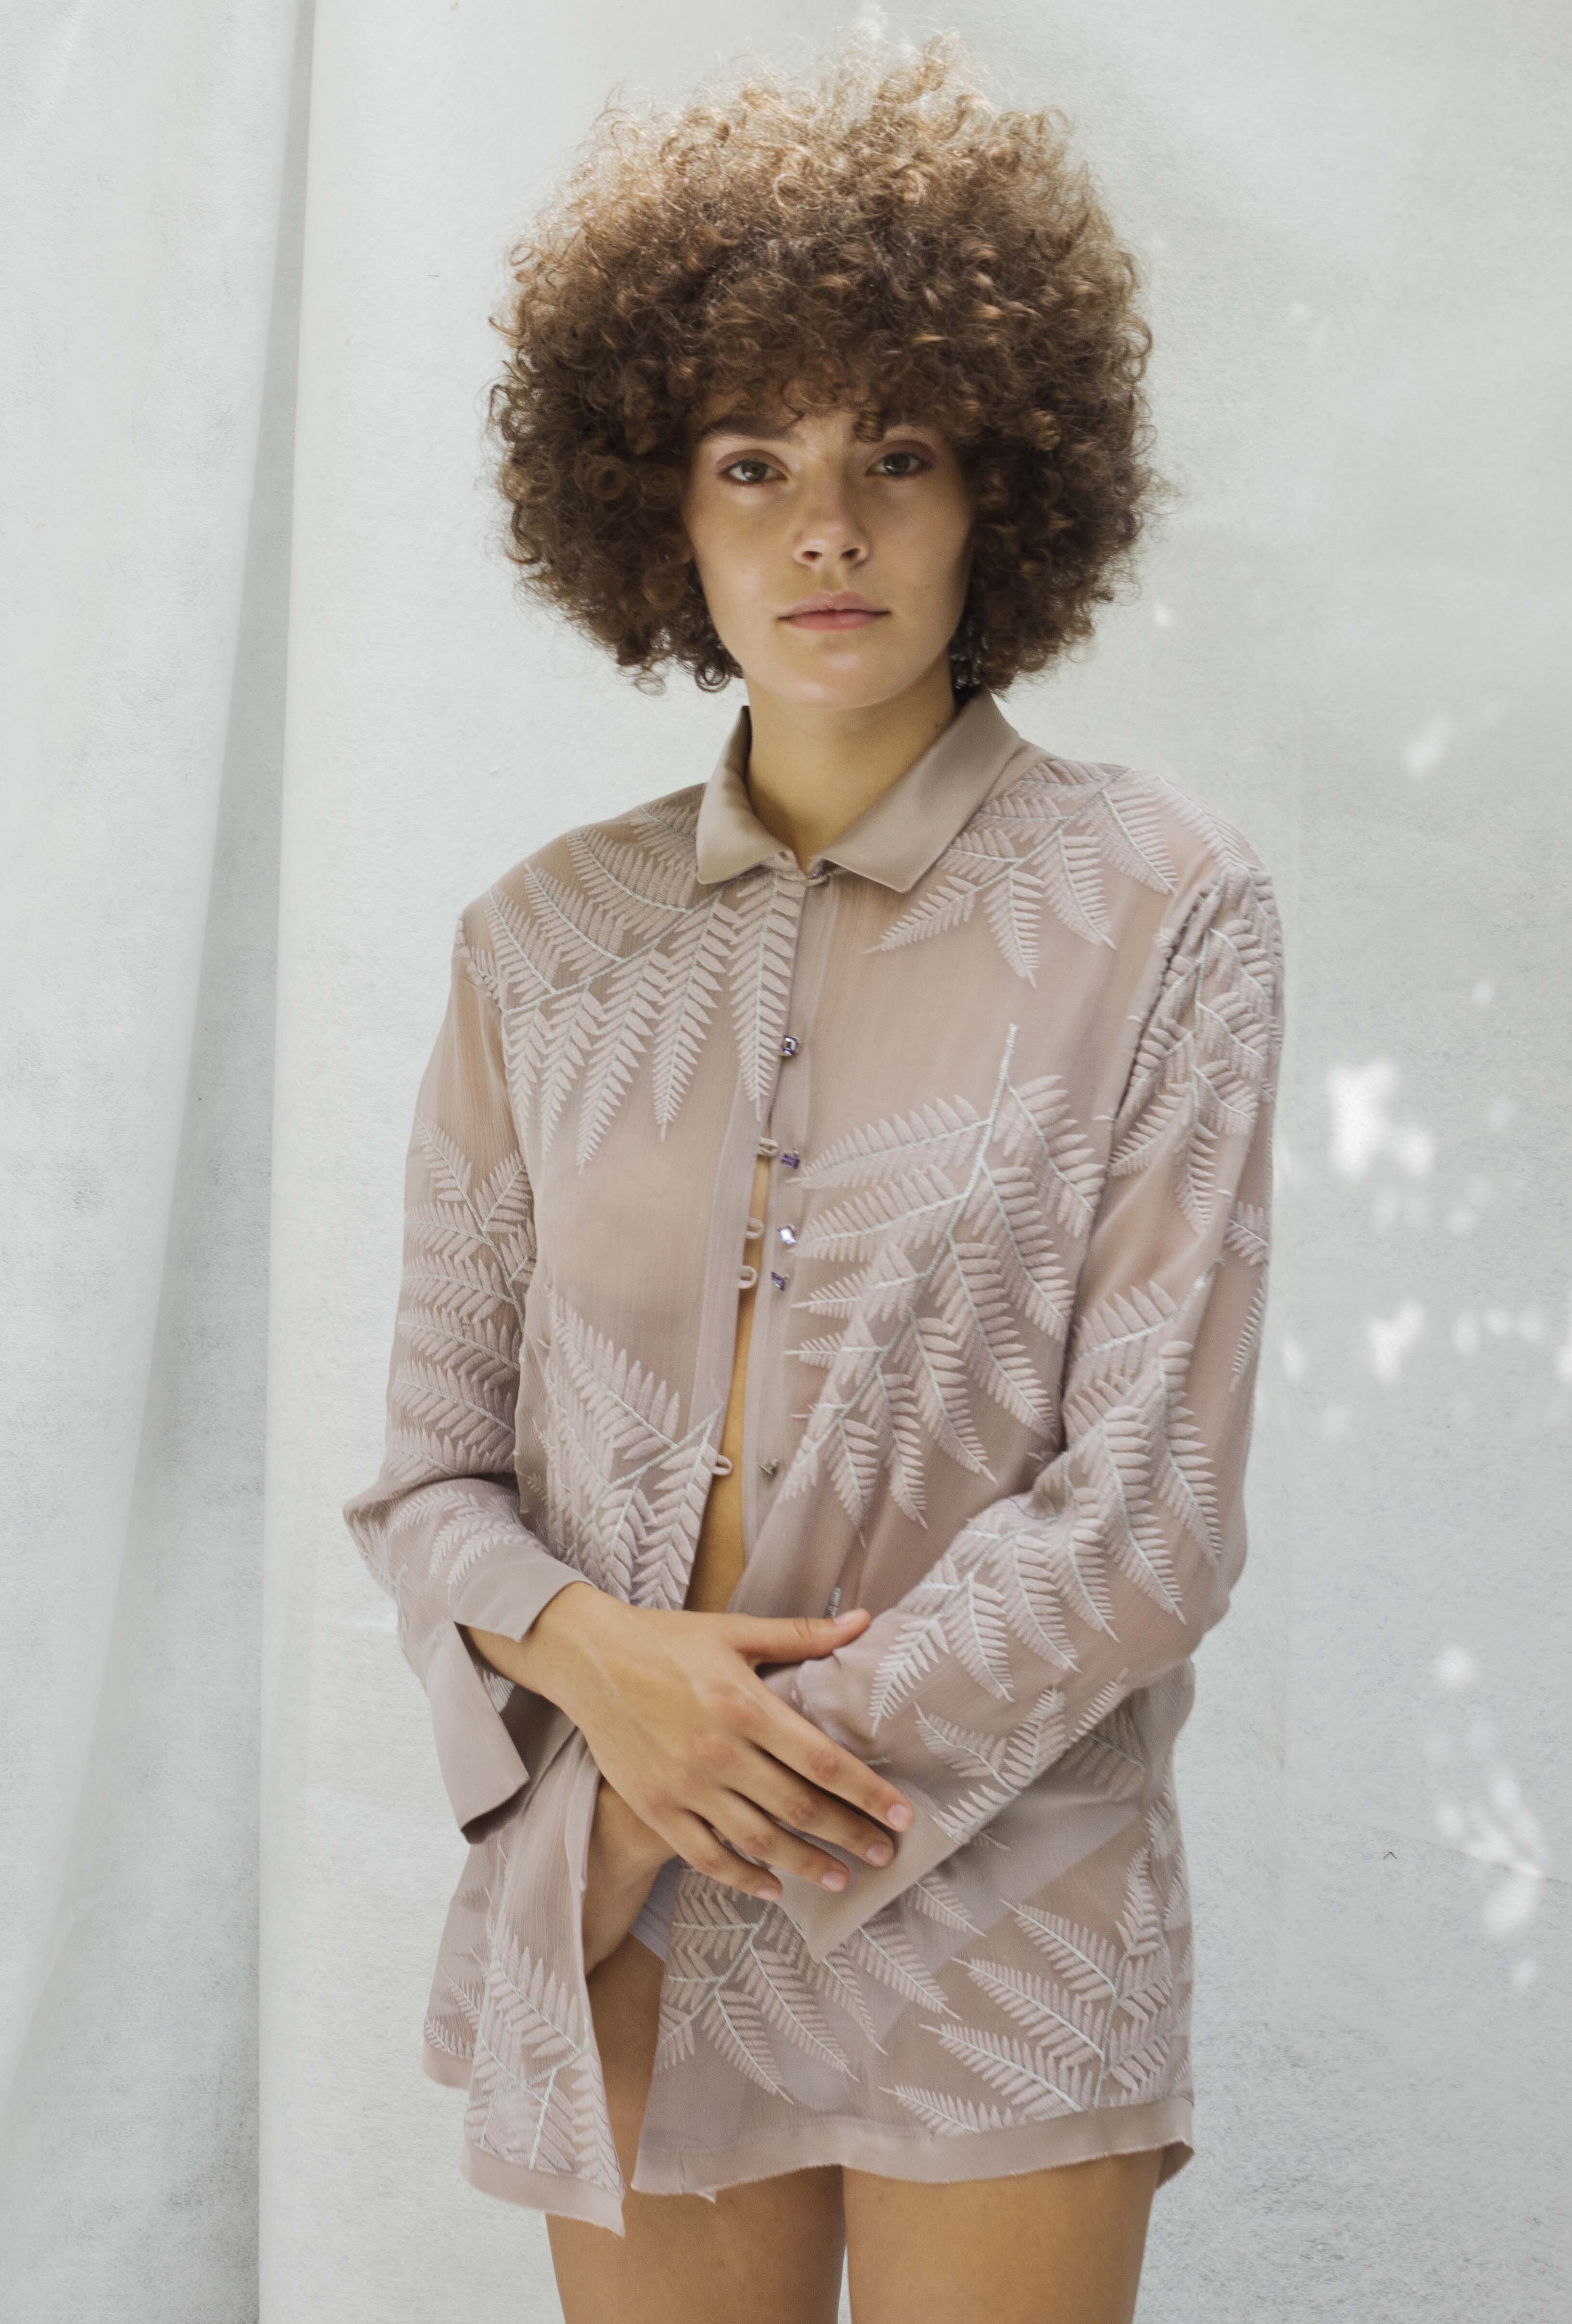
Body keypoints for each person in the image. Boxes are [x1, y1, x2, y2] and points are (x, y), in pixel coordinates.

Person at [344, 28, 1284, 2324]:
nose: (826, 528)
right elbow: (432, 1484)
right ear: (659, 511)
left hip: (1001, 1894)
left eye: (898, 454)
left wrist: (712, 1757)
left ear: (1003, 491)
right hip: (630, 1901)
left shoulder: (1164, 903)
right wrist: (607, 1690)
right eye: (751, 462)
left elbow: (1149, 1512)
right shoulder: (539, 948)